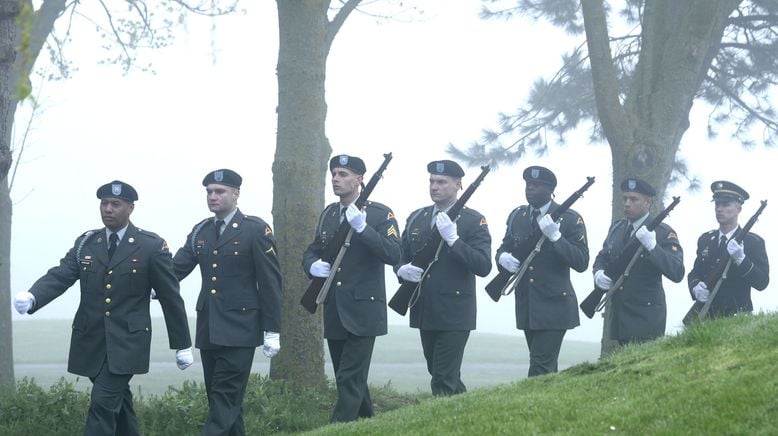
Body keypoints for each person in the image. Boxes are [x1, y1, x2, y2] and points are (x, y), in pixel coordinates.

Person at [13, 180, 193, 436]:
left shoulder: (151, 246)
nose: (108, 209)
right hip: (92, 341)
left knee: (102, 403)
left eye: (115, 204)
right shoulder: (87, 243)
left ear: (130, 208)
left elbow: (170, 296)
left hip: (127, 344)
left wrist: (182, 343)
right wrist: (34, 296)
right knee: (120, 407)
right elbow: (62, 275)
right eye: (104, 203)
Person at [173, 169, 282, 436]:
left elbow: (270, 283)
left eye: (219, 191)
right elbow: (175, 269)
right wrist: (153, 286)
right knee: (222, 400)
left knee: (224, 398)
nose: (213, 197)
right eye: (209, 192)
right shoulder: (201, 230)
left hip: (241, 329)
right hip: (209, 327)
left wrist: (272, 330)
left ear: (236, 194)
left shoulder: (255, 230)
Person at [302, 154, 401, 423]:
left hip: (363, 309)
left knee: (349, 375)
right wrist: (311, 266)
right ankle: (369, 422)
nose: (336, 179)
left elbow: (394, 254)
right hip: (334, 306)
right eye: (334, 173)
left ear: (360, 179)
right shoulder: (329, 214)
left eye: (343, 174)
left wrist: (364, 228)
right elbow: (314, 250)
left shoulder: (380, 213)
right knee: (346, 375)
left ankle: (339, 426)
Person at [395, 160, 491, 395]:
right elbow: (400, 254)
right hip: (424, 308)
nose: (434, 186)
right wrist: (400, 269)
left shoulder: (473, 220)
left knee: (443, 378)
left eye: (441, 182)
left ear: (458, 185)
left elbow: (483, 265)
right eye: (431, 181)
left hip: (455, 312)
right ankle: (466, 414)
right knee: (439, 371)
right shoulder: (417, 217)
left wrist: (454, 241)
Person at [494, 166, 588, 376]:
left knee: (539, 366)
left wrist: (557, 238)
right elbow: (505, 246)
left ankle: (529, 405)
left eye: (536, 185)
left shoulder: (570, 219)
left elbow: (581, 262)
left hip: (555, 305)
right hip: (528, 303)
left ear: (550, 189)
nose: (530, 189)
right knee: (545, 367)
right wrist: (502, 257)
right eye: (528, 184)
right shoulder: (518, 216)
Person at [593, 178, 684, 352]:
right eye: (625, 198)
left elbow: (677, 271)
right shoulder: (617, 228)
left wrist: (653, 247)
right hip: (619, 315)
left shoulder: (663, 232)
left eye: (634, 199)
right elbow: (603, 257)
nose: (627, 204)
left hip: (646, 317)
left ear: (648, 203)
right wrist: (599, 274)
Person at [687, 181, 769, 317]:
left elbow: (762, 282)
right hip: (706, 315)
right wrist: (695, 287)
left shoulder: (753, 242)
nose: (719, 209)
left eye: (725, 205)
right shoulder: (706, 239)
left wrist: (741, 260)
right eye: (717, 204)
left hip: (737, 316)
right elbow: (695, 272)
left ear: (738, 209)